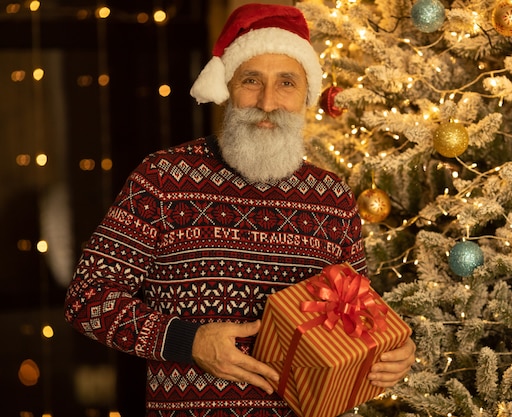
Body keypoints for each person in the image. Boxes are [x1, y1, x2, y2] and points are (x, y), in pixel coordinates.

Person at [64, 3, 415, 416]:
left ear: (306, 94)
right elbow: (87, 299)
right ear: (228, 86)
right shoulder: (162, 178)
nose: (267, 102)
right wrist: (187, 341)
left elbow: (358, 314)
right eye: (252, 80)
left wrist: (396, 349)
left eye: (286, 82)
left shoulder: (331, 196)